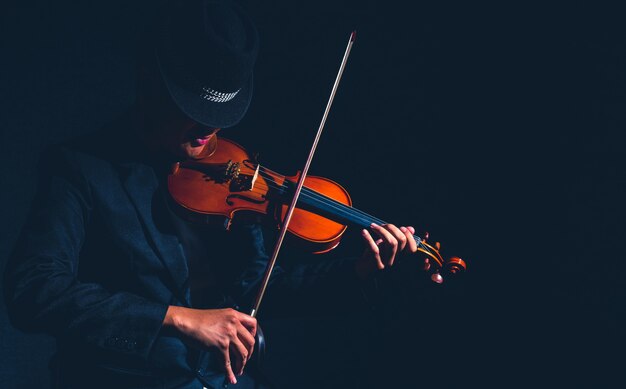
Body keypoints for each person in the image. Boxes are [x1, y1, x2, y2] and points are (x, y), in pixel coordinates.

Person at [3, 1, 420, 388]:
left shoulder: (233, 170)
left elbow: (256, 285)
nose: (210, 132)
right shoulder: (80, 168)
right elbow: (34, 290)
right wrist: (177, 319)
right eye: (195, 112)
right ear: (153, 85)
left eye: (220, 116)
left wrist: (359, 272)